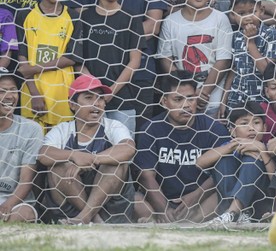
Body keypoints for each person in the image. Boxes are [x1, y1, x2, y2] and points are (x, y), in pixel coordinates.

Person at [39, 74, 135, 224]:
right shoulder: (63, 130)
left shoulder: (112, 126)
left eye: (100, 98)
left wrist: (92, 159)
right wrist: (73, 156)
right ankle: (91, 218)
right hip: (71, 211)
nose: (96, 103)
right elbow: (44, 154)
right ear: (72, 104)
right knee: (57, 166)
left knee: (116, 164)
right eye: (89, 98)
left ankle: (85, 217)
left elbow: (128, 148)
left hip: (110, 209)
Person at [134, 71, 227, 223]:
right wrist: (163, 208)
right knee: (135, 200)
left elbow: (223, 174)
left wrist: (195, 196)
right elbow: (146, 176)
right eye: (178, 99)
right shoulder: (150, 129)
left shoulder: (214, 129)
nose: (186, 105)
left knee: (222, 195)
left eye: (191, 98)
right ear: (164, 102)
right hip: (160, 200)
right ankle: (162, 221)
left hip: (200, 200)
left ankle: (184, 225)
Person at [79, 0, 146, 135]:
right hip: (89, 100)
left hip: (123, 100)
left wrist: (108, 93)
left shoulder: (131, 18)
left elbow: (134, 62)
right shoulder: (84, 18)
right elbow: (78, 60)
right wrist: (95, 93)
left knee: (122, 151)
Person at [157, 0, 232, 116]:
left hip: (213, 100)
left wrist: (204, 92)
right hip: (182, 100)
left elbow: (224, 60)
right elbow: (165, 58)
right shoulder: (171, 21)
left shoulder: (220, 19)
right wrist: (186, 91)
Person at [16, 0, 82, 130]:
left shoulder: (73, 17)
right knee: (32, 143)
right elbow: (23, 60)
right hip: (32, 91)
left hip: (62, 93)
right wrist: (34, 93)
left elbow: (71, 58)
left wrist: (34, 68)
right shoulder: (25, 16)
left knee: (59, 143)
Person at [199, 102, 275, 224]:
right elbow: (200, 163)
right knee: (224, 159)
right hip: (230, 209)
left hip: (260, 205)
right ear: (232, 130)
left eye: (256, 123)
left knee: (252, 161)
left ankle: (233, 212)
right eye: (244, 123)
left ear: (265, 128)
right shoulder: (229, 148)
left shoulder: (268, 147)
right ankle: (232, 213)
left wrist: (262, 151)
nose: (251, 128)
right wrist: (232, 146)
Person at [224, 0, 276, 108]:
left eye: (252, 11)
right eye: (241, 13)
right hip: (236, 99)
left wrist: (250, 43)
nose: (247, 17)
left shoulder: (271, 35)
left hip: (260, 99)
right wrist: (223, 100)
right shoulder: (235, 37)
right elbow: (233, 70)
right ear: (232, 15)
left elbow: (267, 72)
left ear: (261, 10)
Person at [0, 67, 43, 222]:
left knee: (23, 214)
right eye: (2, 91)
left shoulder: (30, 129)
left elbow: (27, 180)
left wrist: (6, 206)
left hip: (16, 201)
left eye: (13, 90)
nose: (9, 96)